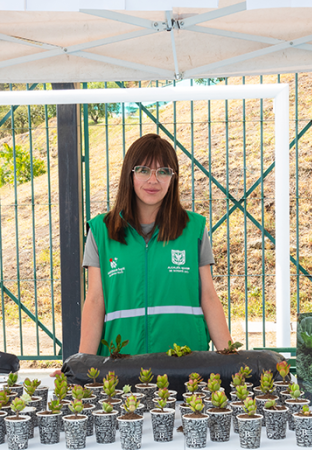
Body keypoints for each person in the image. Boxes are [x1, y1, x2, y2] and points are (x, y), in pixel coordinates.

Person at [79, 133, 231, 356]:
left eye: (163, 171)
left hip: (186, 365)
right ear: (129, 175)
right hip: (120, 366)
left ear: (173, 178)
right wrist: (82, 366)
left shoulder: (194, 229)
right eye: (143, 170)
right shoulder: (101, 231)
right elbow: (94, 300)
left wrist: (232, 361)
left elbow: (208, 295)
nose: (153, 180)